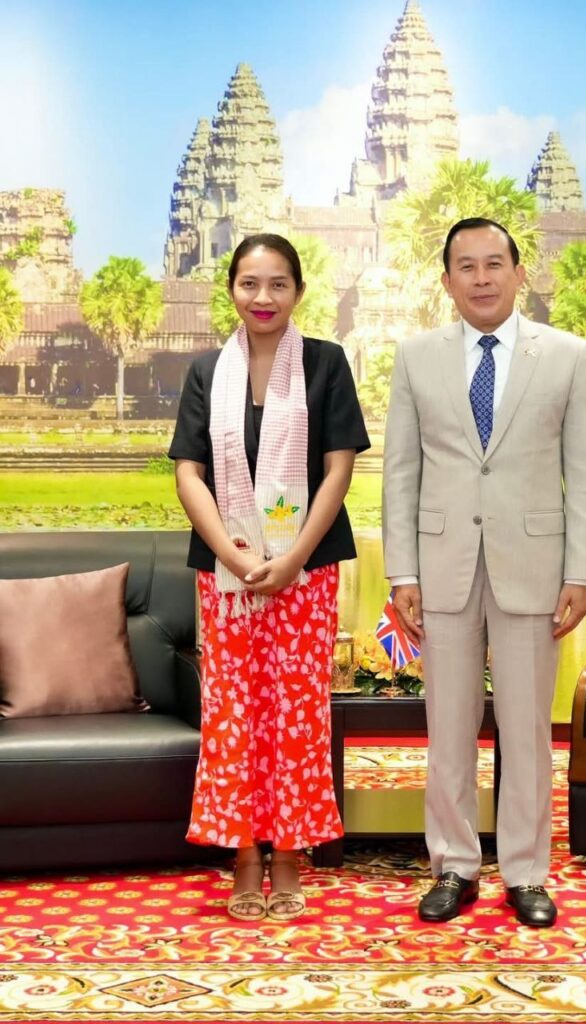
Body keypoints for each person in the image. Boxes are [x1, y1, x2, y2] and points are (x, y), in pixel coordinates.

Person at [383, 217, 586, 927]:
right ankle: (453, 865)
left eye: (493, 264)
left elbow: (584, 474)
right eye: (466, 266)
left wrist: (582, 570)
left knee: (527, 729)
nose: (481, 278)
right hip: (441, 566)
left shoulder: (567, 356)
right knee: (447, 728)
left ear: (519, 273)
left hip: (534, 567)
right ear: (447, 281)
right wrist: (402, 570)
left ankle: (527, 873)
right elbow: (401, 473)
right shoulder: (416, 357)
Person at [170, 233, 370, 922]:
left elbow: (338, 469)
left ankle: (287, 854)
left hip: (305, 569)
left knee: (296, 710)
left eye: (278, 284)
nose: (263, 297)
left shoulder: (326, 363)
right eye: (250, 283)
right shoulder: (206, 371)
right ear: (231, 289)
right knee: (235, 712)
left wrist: (292, 559)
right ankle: (245, 856)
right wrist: (231, 554)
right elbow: (188, 472)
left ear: (298, 292)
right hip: (225, 572)